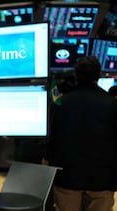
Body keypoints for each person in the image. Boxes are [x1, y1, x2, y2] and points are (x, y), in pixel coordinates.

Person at [46, 56, 117, 211]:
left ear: (76, 75)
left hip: (67, 177)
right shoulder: (111, 103)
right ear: (98, 75)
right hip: (103, 179)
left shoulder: (61, 103)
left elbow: (52, 139)